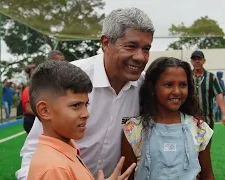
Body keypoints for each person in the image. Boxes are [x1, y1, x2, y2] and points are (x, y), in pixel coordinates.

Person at [16, 7, 155, 180]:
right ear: (105, 42)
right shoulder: (69, 78)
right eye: (131, 46)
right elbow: (34, 150)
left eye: (146, 49)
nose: (141, 57)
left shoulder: (145, 88)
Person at [27, 60, 136, 180]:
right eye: (75, 105)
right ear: (45, 110)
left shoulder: (67, 150)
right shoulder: (55, 169)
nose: (86, 114)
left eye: (86, 104)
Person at [121, 57, 215, 180]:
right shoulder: (134, 129)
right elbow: (127, 176)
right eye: (169, 85)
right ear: (152, 87)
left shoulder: (199, 129)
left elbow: (207, 175)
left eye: (182, 85)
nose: (177, 91)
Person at [191, 50, 225, 129]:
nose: (197, 61)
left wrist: (224, 114)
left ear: (204, 61)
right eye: (194, 59)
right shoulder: (186, 77)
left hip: (207, 119)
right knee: (190, 141)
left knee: (206, 141)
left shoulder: (211, 77)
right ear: (191, 61)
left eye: (199, 59)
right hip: (189, 119)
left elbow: (219, 94)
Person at [22, 65, 36, 134]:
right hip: (30, 120)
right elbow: (28, 109)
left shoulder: (36, 90)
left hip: (35, 119)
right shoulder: (28, 90)